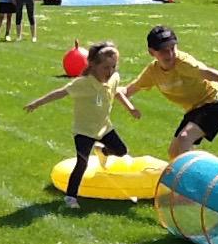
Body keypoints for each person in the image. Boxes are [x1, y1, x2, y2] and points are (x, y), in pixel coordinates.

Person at [25, 41, 141, 209]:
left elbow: (116, 92)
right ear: (93, 65)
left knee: (122, 151)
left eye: (113, 67)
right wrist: (37, 103)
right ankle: (70, 197)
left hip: (104, 127)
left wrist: (130, 108)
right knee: (82, 163)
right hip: (84, 131)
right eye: (106, 67)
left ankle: (103, 151)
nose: (110, 71)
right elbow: (61, 92)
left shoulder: (113, 78)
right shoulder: (83, 83)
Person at [124, 25, 218, 160]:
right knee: (174, 152)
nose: (170, 54)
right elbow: (128, 90)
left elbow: (206, 72)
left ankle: (194, 172)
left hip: (214, 103)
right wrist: (110, 90)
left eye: (172, 48)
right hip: (194, 109)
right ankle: (197, 167)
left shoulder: (183, 63)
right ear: (151, 52)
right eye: (163, 51)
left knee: (184, 139)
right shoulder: (152, 73)